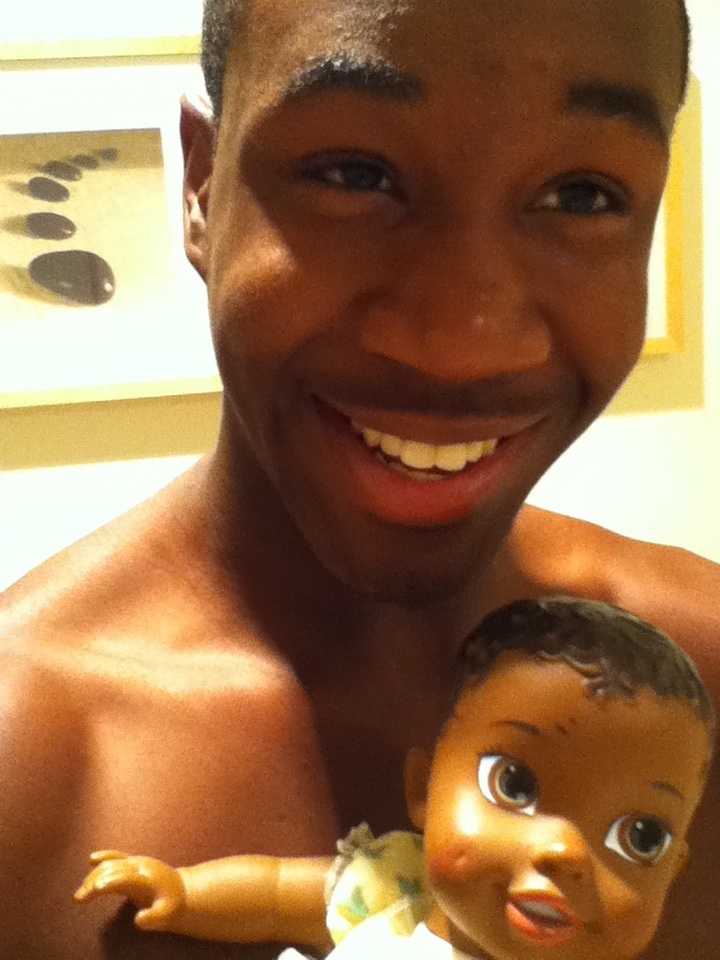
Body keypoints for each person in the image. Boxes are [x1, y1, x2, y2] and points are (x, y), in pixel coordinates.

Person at [1, 0, 719, 958]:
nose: (462, 341)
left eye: (583, 195)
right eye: (353, 175)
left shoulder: (706, 673)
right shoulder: (26, 768)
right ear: (203, 186)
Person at [73, 598, 715, 960]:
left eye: (642, 837)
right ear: (423, 789)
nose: (565, 852)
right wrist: (183, 892)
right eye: (514, 787)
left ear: (674, 870)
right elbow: (274, 894)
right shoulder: (388, 891)